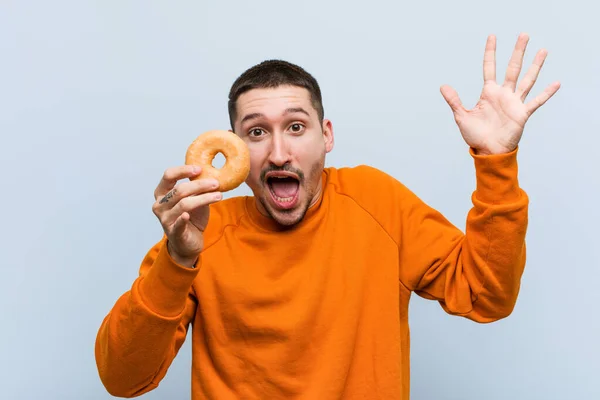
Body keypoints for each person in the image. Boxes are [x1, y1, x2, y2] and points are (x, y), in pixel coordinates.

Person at [95, 33, 560, 399]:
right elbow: (122, 377)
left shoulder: (377, 202)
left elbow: (486, 295)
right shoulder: (199, 235)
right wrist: (176, 263)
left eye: (296, 127)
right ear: (234, 148)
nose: (278, 153)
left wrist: (496, 162)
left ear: (327, 136)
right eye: (256, 133)